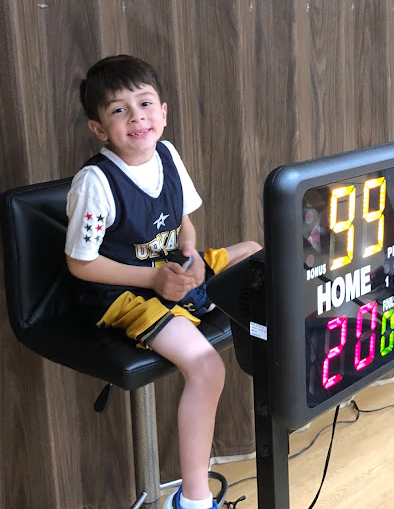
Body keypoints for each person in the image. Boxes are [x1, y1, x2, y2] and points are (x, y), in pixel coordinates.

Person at [65, 54, 261, 509]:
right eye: (119, 110)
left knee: (255, 252)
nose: (137, 118)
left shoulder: (168, 155)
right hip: (123, 295)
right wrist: (154, 279)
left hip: (170, 269)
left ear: (164, 112)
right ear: (99, 129)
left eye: (145, 103)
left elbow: (184, 223)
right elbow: (80, 265)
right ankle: (192, 500)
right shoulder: (95, 182)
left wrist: (190, 255)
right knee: (207, 367)